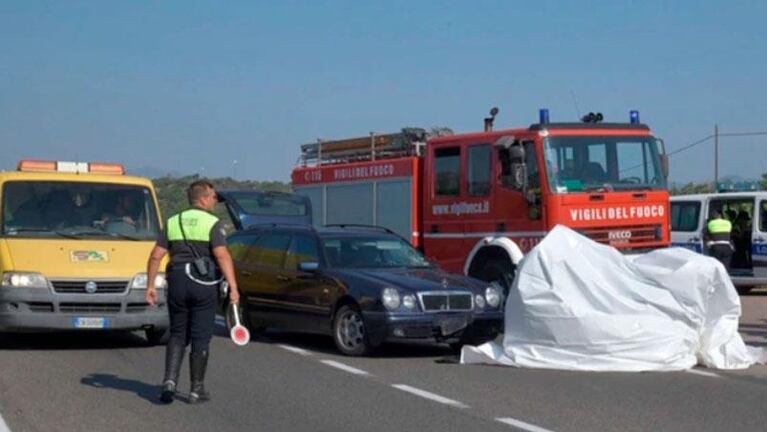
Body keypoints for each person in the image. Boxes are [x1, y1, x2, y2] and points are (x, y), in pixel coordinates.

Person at [145, 180, 240, 404]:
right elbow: (222, 256)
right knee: (200, 335)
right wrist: (233, 286)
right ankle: (196, 388)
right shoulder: (212, 223)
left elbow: (156, 256)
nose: (215, 202)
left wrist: (150, 286)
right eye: (214, 198)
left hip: (177, 280)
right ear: (204, 198)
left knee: (178, 333)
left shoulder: (173, 221)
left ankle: (169, 381)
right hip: (203, 283)